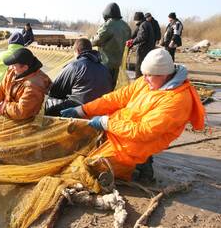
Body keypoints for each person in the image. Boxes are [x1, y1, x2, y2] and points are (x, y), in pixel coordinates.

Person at [60, 48, 205, 182]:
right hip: (119, 129)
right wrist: (83, 110)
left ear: (165, 74)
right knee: (76, 145)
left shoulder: (177, 101)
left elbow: (144, 132)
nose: (145, 79)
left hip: (136, 144)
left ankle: (138, 164)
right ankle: (138, 162)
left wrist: (107, 123)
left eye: (149, 75)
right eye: (145, 74)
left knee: (87, 170)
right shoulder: (146, 81)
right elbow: (116, 98)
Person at [0, 48, 51, 121]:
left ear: (25, 67)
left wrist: (2, 107)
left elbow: (22, 111)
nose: (11, 67)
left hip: (26, 119)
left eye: (14, 65)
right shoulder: (13, 71)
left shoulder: (35, 85)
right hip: (8, 111)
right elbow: (1, 90)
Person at [45, 38, 113, 116]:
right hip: (100, 110)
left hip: (79, 110)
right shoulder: (105, 68)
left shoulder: (74, 66)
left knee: (48, 103)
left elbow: (55, 91)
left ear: (77, 51)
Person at [91, 2, 131, 88]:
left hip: (105, 62)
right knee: (112, 86)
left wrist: (89, 41)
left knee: (102, 86)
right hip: (117, 62)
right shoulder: (126, 26)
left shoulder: (109, 25)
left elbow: (96, 40)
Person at [126, 12, 156, 78]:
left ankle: (138, 79)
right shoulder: (147, 23)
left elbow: (142, 37)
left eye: (134, 20)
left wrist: (132, 42)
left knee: (139, 65)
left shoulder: (143, 25)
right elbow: (137, 34)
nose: (134, 22)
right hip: (148, 48)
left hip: (143, 49)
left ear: (137, 19)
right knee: (146, 65)